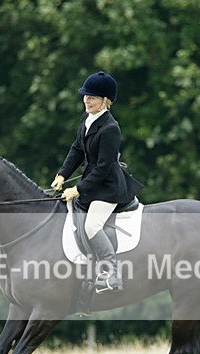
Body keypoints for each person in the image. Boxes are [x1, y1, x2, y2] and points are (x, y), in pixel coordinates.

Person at [52, 71, 143, 292]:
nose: (86, 100)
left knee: (92, 225)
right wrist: (62, 175)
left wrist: (77, 189)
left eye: (92, 97)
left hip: (109, 188)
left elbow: (103, 168)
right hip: (93, 184)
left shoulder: (111, 129)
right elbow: (76, 149)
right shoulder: (87, 119)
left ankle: (112, 273)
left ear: (106, 101)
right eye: (85, 96)